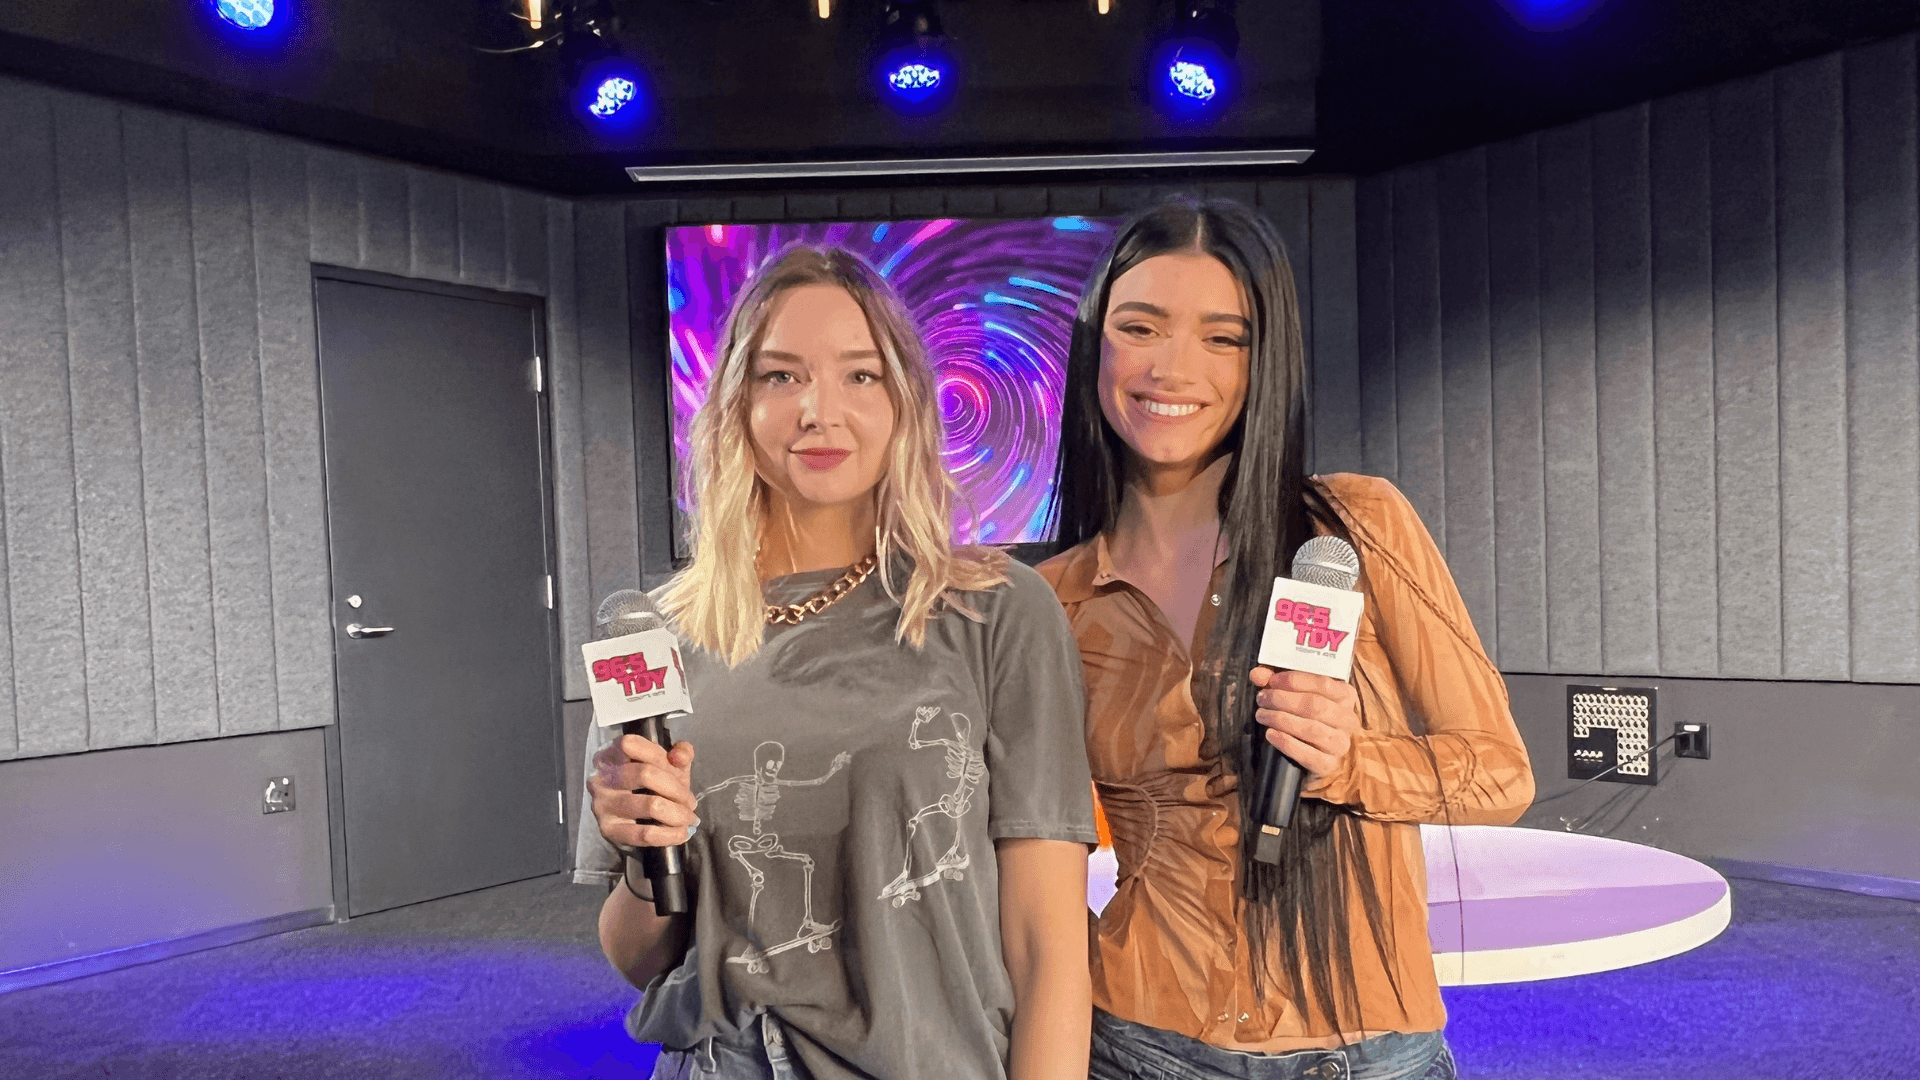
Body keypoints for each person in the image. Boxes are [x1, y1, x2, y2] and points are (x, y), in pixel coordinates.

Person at [1038, 198, 1534, 1080]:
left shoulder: (1355, 527)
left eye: (1222, 338)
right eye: (1140, 327)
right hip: (1140, 1046)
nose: (1173, 367)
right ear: (1095, 347)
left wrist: (1349, 761)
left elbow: (1501, 774)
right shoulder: (1057, 600)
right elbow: (1034, 860)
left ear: (1264, 361)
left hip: (1368, 1054)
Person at [575, 245, 1098, 1080]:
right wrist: (644, 860)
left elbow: (1048, 950)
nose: (819, 411)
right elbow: (640, 959)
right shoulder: (654, 638)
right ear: (737, 402)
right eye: (781, 376)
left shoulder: (995, 610)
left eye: (860, 375)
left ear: (905, 401)